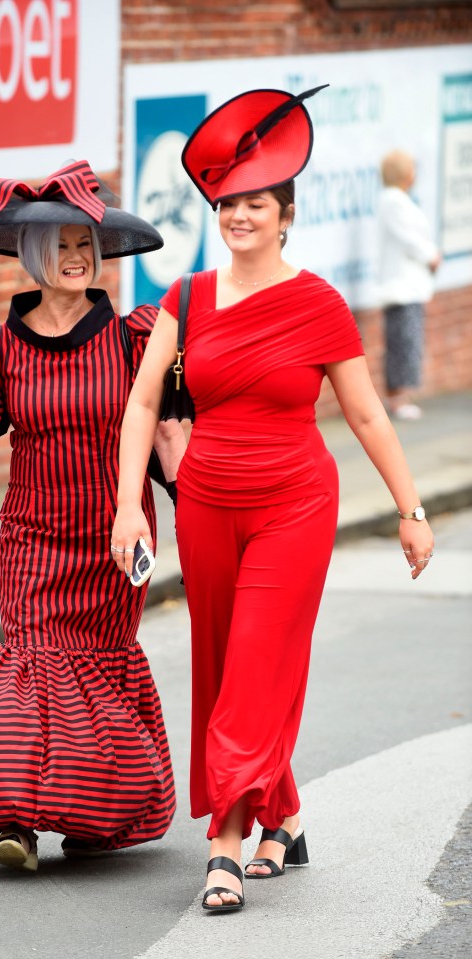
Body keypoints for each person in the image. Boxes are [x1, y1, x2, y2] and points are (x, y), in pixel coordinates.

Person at [111, 88, 435, 914]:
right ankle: (280, 817)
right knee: (227, 664)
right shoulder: (184, 299)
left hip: (294, 500)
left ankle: (223, 839)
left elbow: (364, 411)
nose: (237, 216)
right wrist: (127, 506)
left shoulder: (318, 303)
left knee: (256, 656)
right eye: (226, 203)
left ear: (285, 213)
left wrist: (410, 507)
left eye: (254, 203)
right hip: (208, 502)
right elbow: (143, 404)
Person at [0, 160, 183, 870]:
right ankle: (16, 816)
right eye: (61, 247)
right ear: (35, 256)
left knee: (95, 669)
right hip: (32, 532)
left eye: (84, 247)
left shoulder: (132, 337)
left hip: (114, 530)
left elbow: (159, 429)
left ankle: (89, 809)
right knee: (32, 666)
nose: (75, 259)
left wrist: (189, 499)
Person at [378, 149, 441, 420]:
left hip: (409, 286)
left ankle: (401, 396)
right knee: (402, 341)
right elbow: (408, 238)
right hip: (401, 287)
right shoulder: (393, 201)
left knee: (407, 341)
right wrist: (431, 255)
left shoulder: (397, 200)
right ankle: (397, 399)